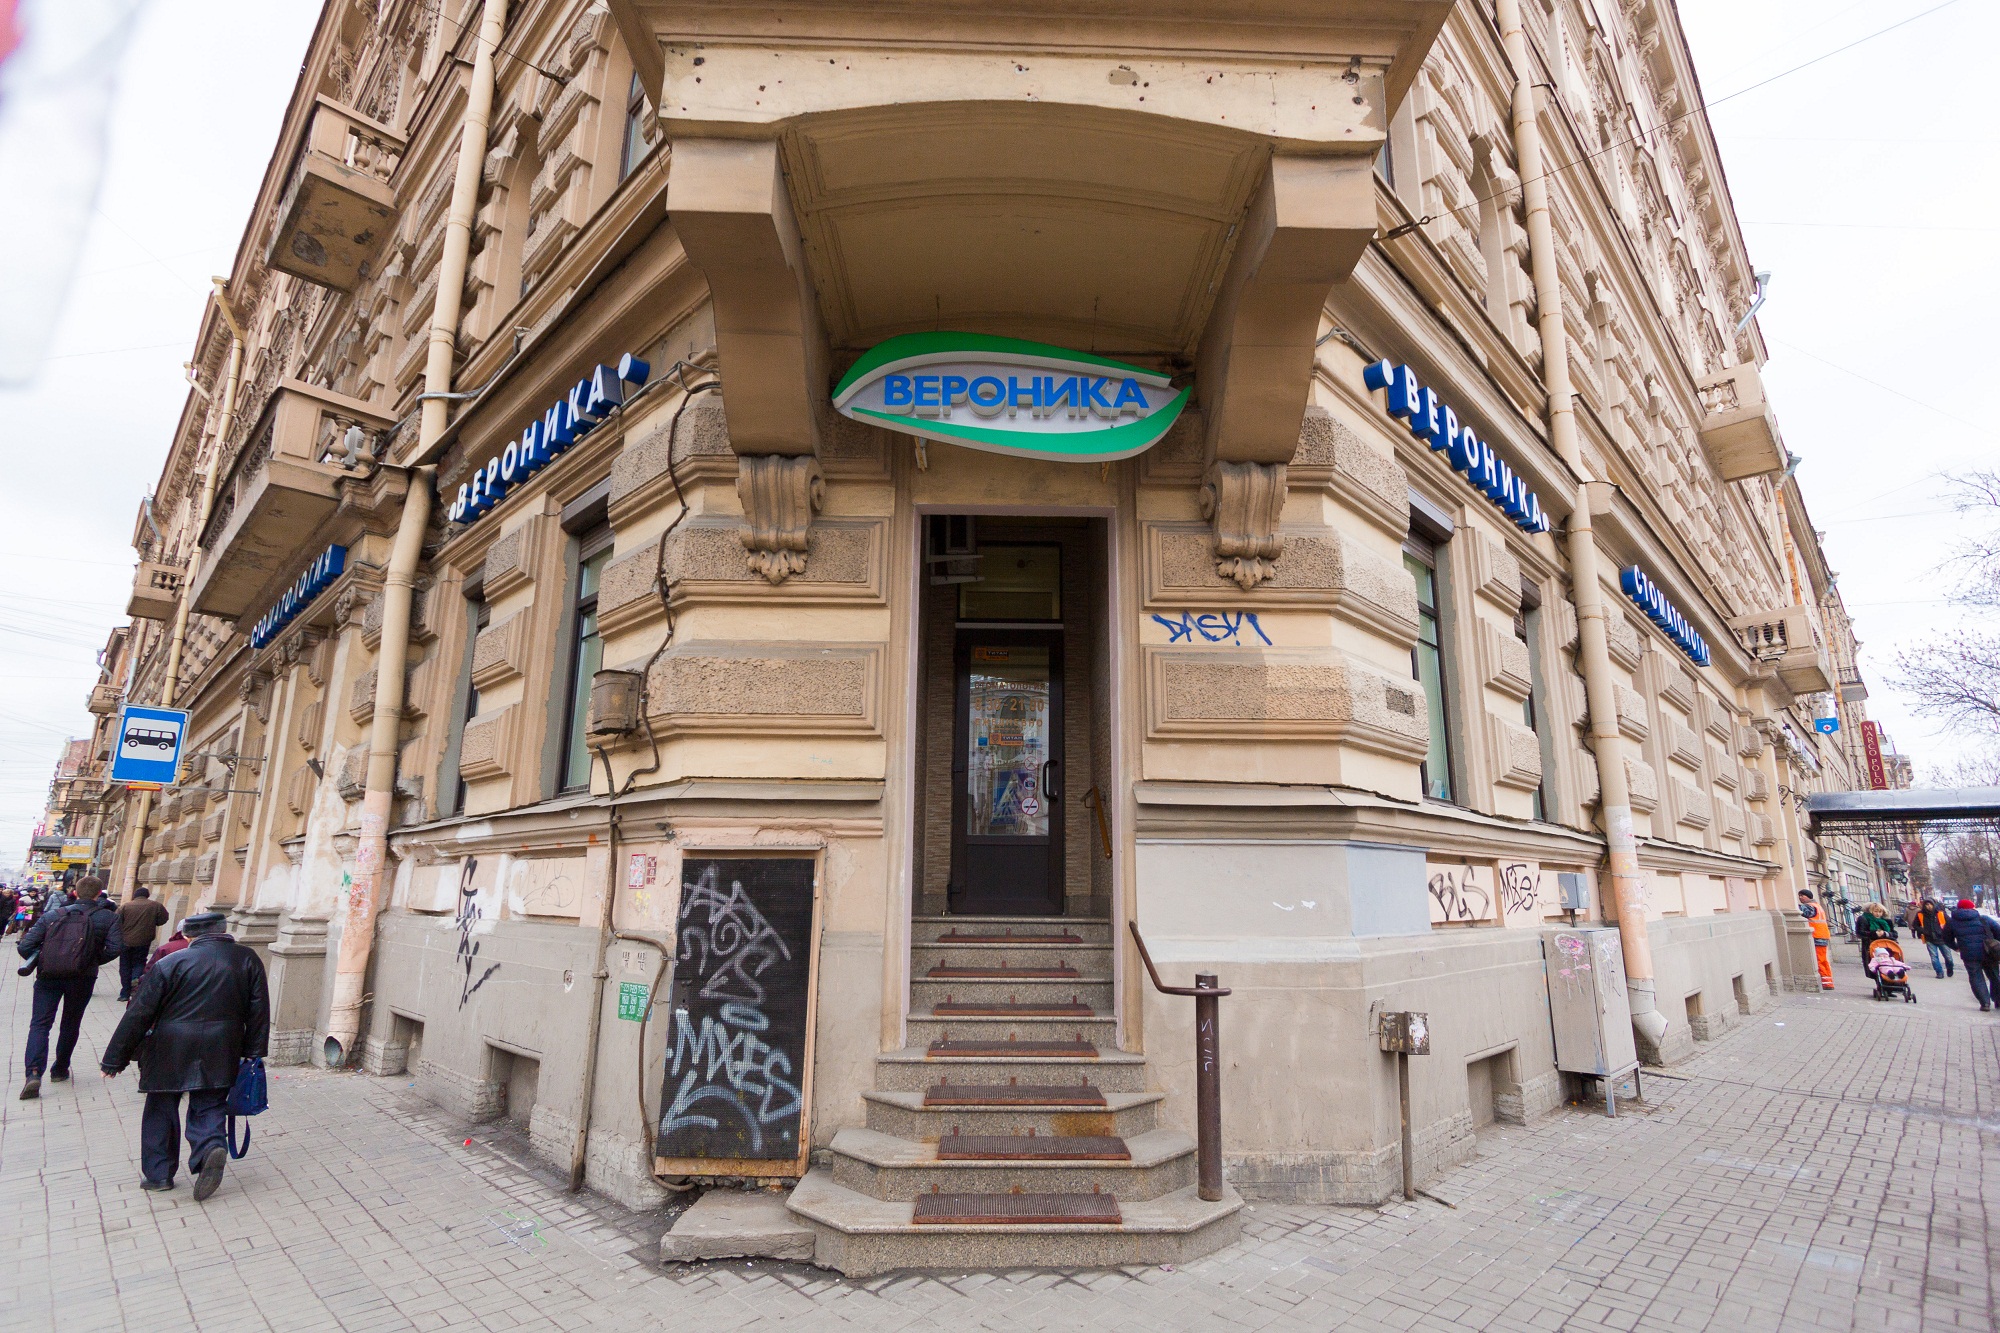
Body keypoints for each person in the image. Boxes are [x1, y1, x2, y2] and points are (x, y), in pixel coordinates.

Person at [101, 912, 269, 1199]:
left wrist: (115, 1059)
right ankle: (210, 1146)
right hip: (224, 1043)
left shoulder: (170, 963)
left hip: (169, 1044)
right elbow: (259, 1009)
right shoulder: (247, 959)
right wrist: (252, 1053)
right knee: (211, 1101)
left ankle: (158, 1175)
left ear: (189, 936)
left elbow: (139, 1014)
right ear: (223, 930)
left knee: (161, 1106)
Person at [15, 876, 122, 1099]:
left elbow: (26, 945)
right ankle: (60, 1069)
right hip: (82, 978)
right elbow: (115, 948)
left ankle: (33, 1073)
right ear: (99, 894)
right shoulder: (108, 917)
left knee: (40, 1024)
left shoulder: (54, 915)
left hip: (48, 977)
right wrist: (89, 960)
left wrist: (46, 959)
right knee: (71, 1023)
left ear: (75, 892)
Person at [1940, 897, 2000, 1012]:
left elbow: (1946, 938)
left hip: (1969, 955)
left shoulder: (1952, 922)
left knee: (1976, 977)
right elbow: (1998, 931)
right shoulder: (1983, 919)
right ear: (1972, 908)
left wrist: (1956, 947)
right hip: (1989, 952)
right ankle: (1998, 999)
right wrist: (1995, 944)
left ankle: (1985, 1003)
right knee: (1994, 976)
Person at [113, 887, 170, 1002]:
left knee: (125, 965)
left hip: (126, 941)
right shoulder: (155, 905)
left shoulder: (125, 906)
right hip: (144, 940)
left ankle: (124, 993)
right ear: (147, 895)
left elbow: (116, 921)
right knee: (139, 962)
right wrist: (153, 922)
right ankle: (136, 982)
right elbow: (163, 919)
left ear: (135, 895)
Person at [1911, 897, 1956, 980]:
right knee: (1934, 958)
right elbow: (1915, 925)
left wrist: (1946, 932)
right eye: (1926, 904)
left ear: (1933, 904)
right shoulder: (1920, 914)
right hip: (1929, 939)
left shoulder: (1940, 913)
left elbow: (1950, 923)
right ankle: (1939, 972)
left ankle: (1950, 968)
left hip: (1942, 939)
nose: (1928, 906)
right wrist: (1923, 931)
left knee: (1949, 958)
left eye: (1930, 904)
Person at [1798, 889, 1834, 991]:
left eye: (1802, 895)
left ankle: (1827, 983)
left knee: (1820, 960)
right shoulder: (1817, 906)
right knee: (1822, 960)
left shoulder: (1810, 906)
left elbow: (1803, 912)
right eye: (1799, 895)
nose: (1800, 897)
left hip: (1817, 936)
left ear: (1808, 897)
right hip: (1821, 935)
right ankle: (1827, 982)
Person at [1852, 902, 1898, 973]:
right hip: (1871, 947)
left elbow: (1895, 934)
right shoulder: (1864, 919)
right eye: (1875, 911)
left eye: (1880, 912)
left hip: (1887, 947)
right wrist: (1874, 933)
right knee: (1875, 968)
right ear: (1870, 911)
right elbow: (1860, 933)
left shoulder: (1886, 921)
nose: (1878, 914)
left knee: (1890, 964)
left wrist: (1885, 933)